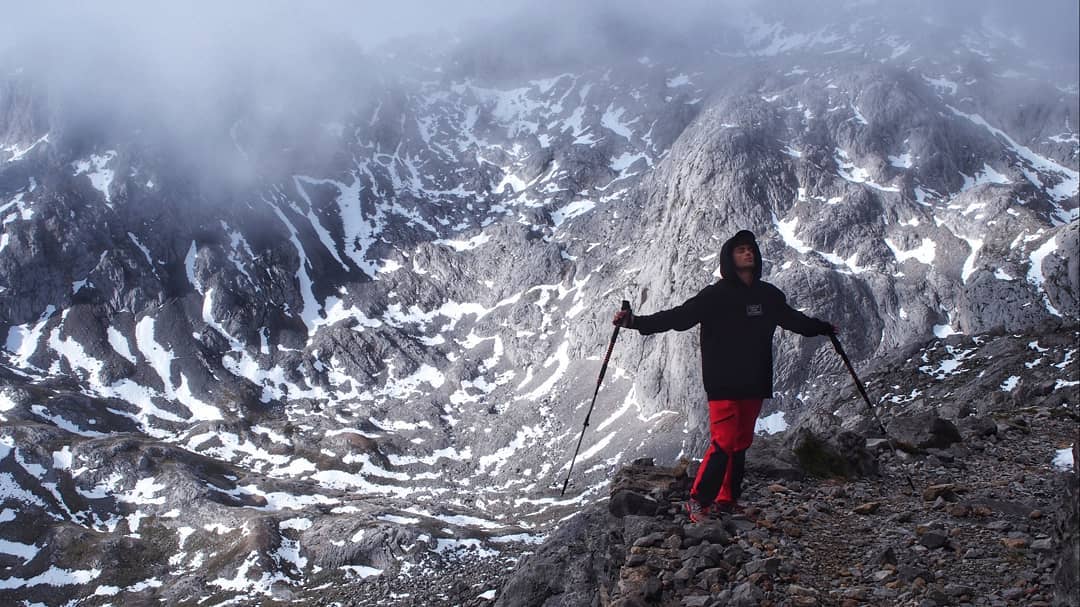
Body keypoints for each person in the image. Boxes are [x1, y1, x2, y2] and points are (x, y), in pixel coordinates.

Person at [613, 229, 835, 522]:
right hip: (724, 381)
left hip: (755, 380)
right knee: (724, 441)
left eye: (751, 249)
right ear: (729, 257)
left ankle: (727, 500)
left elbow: (794, 320)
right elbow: (679, 317)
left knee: (741, 442)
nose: (748, 253)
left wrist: (823, 328)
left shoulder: (768, 295)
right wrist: (635, 322)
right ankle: (698, 500)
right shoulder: (715, 295)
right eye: (741, 249)